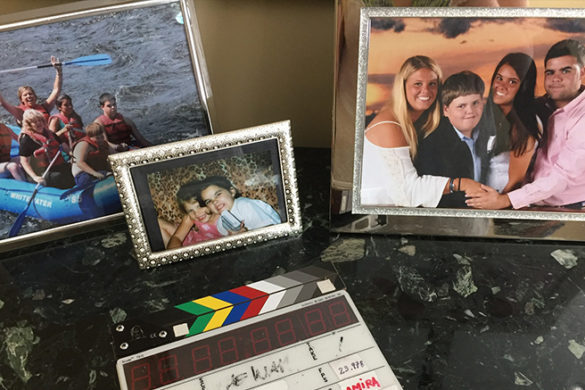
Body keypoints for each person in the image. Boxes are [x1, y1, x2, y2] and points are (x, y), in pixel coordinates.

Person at [466, 39, 585, 210]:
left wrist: (504, 201)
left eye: (565, 71)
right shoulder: (543, 106)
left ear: (582, 73)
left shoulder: (581, 118)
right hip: (533, 202)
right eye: (550, 72)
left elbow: (561, 178)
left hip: (566, 208)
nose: (556, 79)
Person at [360, 55, 483, 207]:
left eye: (432, 84)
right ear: (403, 86)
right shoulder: (389, 126)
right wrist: (459, 184)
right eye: (417, 84)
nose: (426, 91)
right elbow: (407, 194)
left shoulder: (422, 123)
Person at [414, 71, 486, 208]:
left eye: (475, 103)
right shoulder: (431, 146)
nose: (470, 111)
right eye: (461, 106)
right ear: (446, 110)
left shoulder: (488, 132)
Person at [478, 53, 540, 194]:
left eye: (512, 82)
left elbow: (515, 183)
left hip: (503, 205)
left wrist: (495, 208)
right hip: (483, 201)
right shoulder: (491, 117)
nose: (501, 86)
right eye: (499, 78)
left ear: (524, 87)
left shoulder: (523, 126)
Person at [198, 176, 281, 235]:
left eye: (218, 194)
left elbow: (271, 230)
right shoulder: (220, 223)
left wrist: (246, 235)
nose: (214, 202)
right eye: (208, 201)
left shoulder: (245, 206)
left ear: (232, 192)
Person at [18, 109, 74, 189]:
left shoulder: (49, 133)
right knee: (59, 176)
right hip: (41, 172)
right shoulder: (26, 140)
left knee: (72, 170)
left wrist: (73, 157)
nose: (38, 123)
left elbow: (64, 146)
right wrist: (35, 177)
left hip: (57, 166)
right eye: (34, 122)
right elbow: (24, 161)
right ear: (29, 125)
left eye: (39, 120)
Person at [158, 180, 221, 249]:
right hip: (189, 241)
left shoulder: (221, 216)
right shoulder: (191, 217)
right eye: (190, 210)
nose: (197, 213)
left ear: (207, 201)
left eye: (199, 206)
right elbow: (177, 237)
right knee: (158, 222)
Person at [0, 56, 62, 125]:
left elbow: (56, 90)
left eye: (30, 94)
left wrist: (58, 72)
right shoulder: (20, 112)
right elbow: (3, 103)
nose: (29, 96)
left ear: (35, 97)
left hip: (48, 134)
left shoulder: (45, 107)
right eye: (25, 95)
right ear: (21, 100)